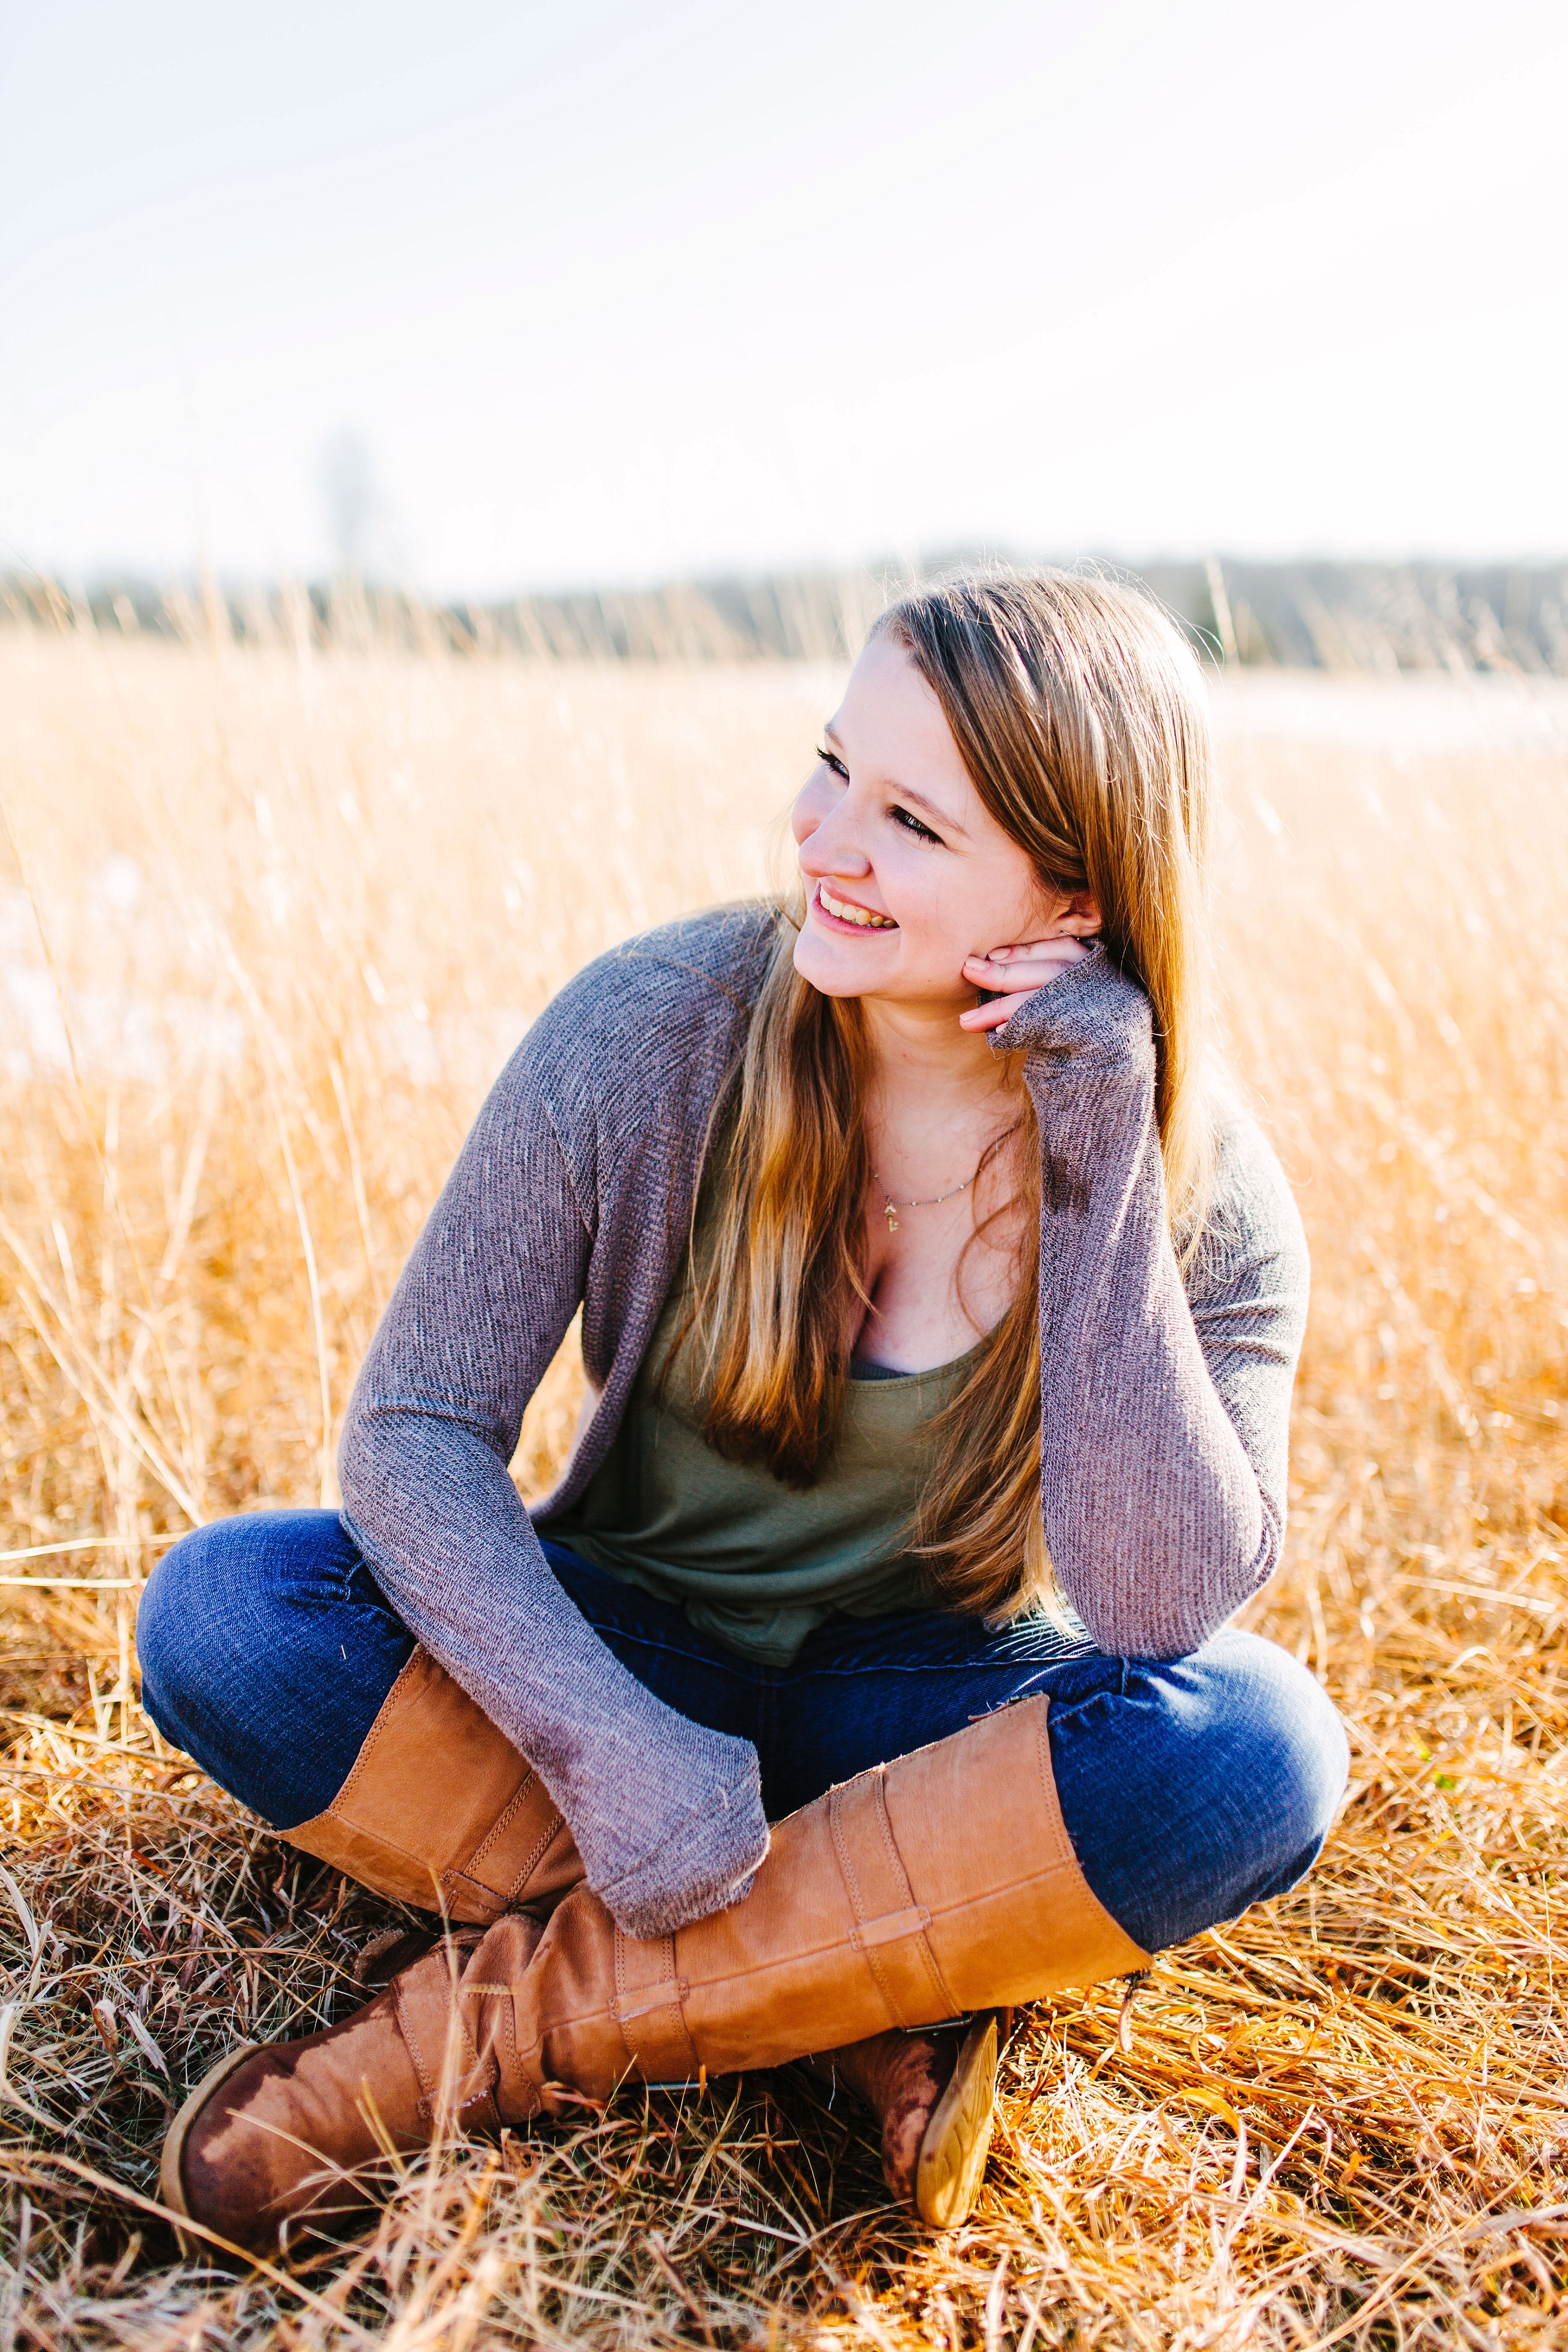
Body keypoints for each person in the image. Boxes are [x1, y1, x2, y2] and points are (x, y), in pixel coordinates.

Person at [138, 570, 1348, 2257]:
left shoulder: (1200, 1187)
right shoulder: (656, 1025)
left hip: (925, 1715)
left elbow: (1158, 1608)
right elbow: (415, 1429)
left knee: (1253, 1748)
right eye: (830, 763)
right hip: (615, 1655)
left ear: (1074, 888)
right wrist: (604, 1740)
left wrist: (1095, 1147)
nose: (820, 836)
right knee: (233, 1616)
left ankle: (486, 2032)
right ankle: (859, 1980)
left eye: (910, 819)